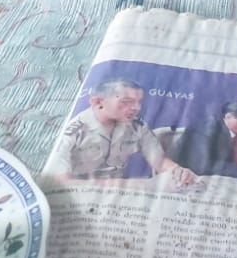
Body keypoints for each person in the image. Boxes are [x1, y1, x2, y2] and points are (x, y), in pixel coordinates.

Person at [47, 76, 196, 183]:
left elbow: (159, 161)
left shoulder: (137, 127)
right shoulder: (76, 130)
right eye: (127, 102)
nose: (136, 108)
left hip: (118, 192)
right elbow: (60, 178)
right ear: (98, 102)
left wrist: (178, 170)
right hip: (82, 193)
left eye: (138, 102)